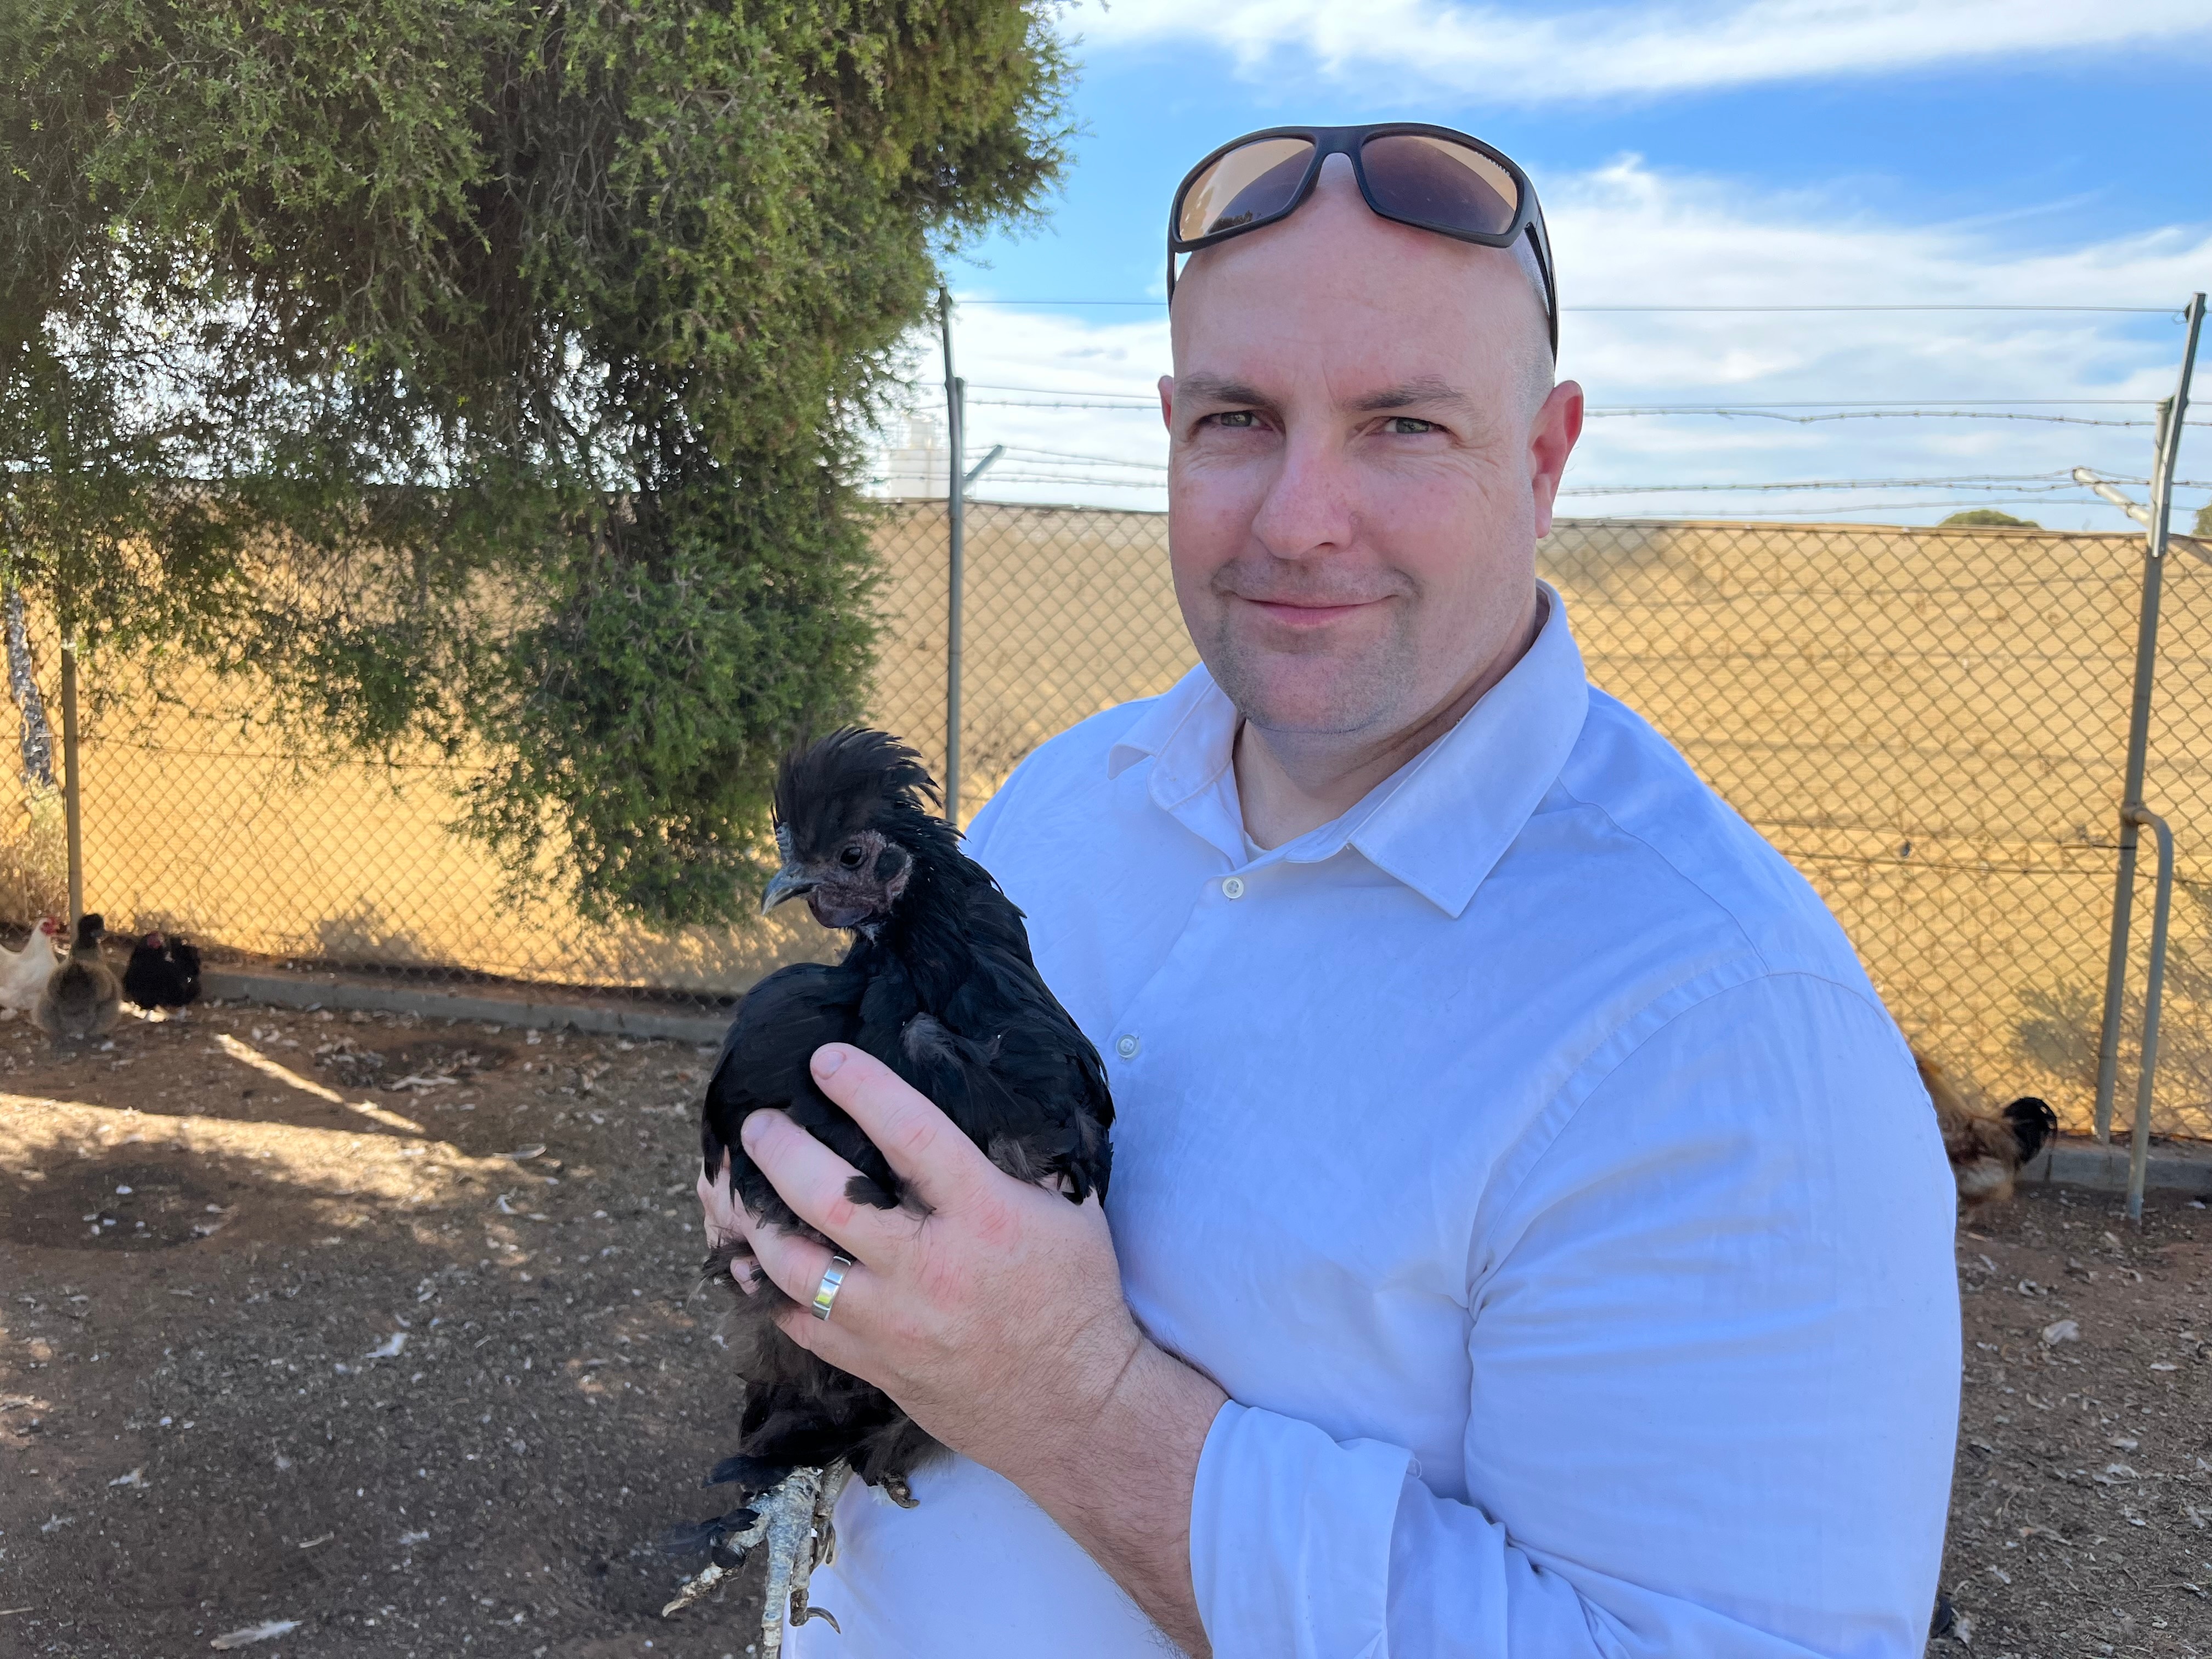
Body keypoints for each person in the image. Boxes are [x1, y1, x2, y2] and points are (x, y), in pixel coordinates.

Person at [702, 122, 1960, 1658]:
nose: (1299, 520)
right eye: (1240, 418)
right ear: (1172, 428)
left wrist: (1080, 1406)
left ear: (1547, 458)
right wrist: (813, 1248)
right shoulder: (1063, 800)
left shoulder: (1728, 1036)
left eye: (1403, 426)